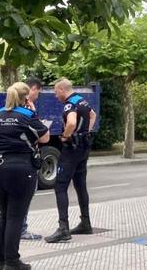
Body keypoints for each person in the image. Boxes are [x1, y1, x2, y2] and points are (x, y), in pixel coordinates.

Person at [0, 82, 50, 270]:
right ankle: (12, 262)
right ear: (26, 98)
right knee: (15, 217)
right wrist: (33, 112)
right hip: (20, 168)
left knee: (4, 215)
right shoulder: (27, 115)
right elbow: (44, 138)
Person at [45, 78, 97, 243]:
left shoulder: (69, 104)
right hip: (84, 146)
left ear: (61, 89)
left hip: (71, 148)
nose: (55, 95)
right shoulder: (82, 101)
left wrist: (65, 136)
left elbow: (72, 122)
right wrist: (86, 132)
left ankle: (63, 228)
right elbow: (92, 115)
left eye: (55, 91)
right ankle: (85, 222)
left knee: (60, 186)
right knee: (80, 185)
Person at [20, 77, 44, 241]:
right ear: (32, 89)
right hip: (25, 160)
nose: (38, 95)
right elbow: (43, 137)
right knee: (24, 196)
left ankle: (13, 229)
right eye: (38, 92)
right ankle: (22, 229)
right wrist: (35, 114)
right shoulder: (28, 111)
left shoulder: (1, 113)